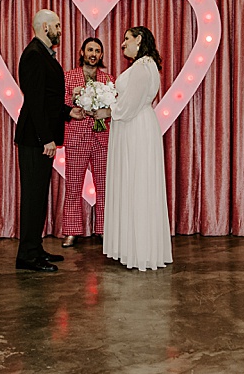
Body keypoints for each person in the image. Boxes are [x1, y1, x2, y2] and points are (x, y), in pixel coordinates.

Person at [102, 26, 172, 273]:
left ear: (139, 39)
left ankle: (139, 250)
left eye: (126, 40)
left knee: (137, 183)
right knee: (133, 183)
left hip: (135, 128)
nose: (122, 45)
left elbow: (128, 105)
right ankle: (132, 246)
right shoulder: (143, 65)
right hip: (133, 126)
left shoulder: (143, 67)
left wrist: (105, 110)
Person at [14, 9, 68, 273]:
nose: (60, 29)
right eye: (57, 25)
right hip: (35, 139)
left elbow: (49, 99)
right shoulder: (35, 55)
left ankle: (35, 248)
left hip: (39, 138)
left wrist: (70, 112)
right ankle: (27, 255)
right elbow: (35, 101)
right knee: (33, 197)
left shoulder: (42, 54)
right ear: (45, 27)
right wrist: (46, 138)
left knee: (38, 196)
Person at [59, 37, 113, 247]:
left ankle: (104, 229)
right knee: (73, 186)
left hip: (102, 138)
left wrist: (104, 113)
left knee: (105, 186)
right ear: (82, 52)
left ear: (101, 55)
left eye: (97, 51)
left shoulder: (108, 79)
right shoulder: (68, 77)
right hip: (76, 137)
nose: (93, 54)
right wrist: (73, 100)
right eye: (90, 49)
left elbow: (115, 106)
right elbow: (60, 105)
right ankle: (72, 231)